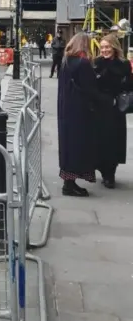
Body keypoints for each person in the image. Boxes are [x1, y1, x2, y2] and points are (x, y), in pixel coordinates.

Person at [57, 31, 106, 197]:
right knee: (78, 145)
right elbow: (90, 89)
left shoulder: (66, 61)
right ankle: (69, 186)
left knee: (68, 145)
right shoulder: (82, 62)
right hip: (79, 111)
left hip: (66, 109)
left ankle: (68, 182)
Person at [93, 33, 133, 188]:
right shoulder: (97, 62)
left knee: (114, 141)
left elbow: (128, 85)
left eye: (107, 47)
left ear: (114, 47)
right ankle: (103, 170)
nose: (104, 50)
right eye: (102, 47)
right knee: (100, 141)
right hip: (100, 107)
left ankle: (110, 174)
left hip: (115, 108)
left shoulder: (122, 64)